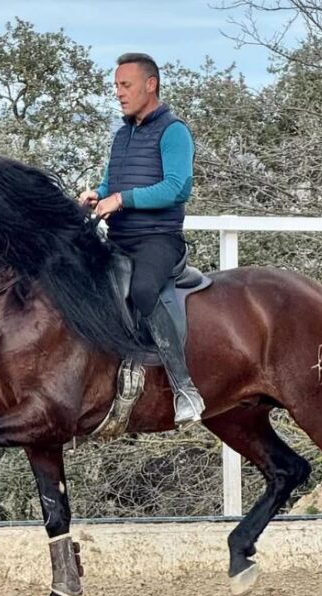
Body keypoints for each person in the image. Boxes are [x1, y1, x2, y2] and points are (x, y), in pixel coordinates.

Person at [78, 52, 204, 426]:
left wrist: (122, 199)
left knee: (144, 289)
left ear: (151, 85)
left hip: (158, 240)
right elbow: (111, 185)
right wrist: (97, 197)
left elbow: (176, 188)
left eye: (126, 85)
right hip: (119, 238)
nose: (118, 93)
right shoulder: (122, 135)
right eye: (116, 86)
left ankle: (185, 389)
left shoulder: (174, 131)